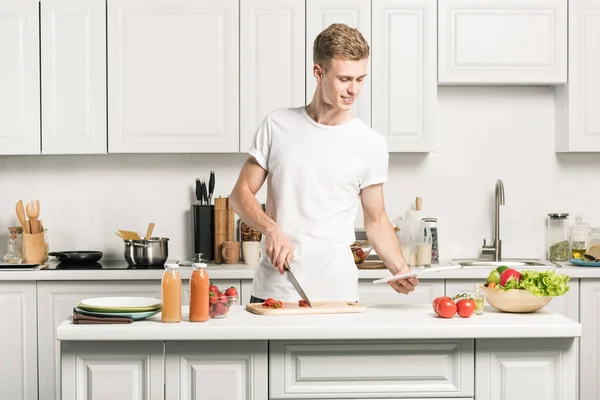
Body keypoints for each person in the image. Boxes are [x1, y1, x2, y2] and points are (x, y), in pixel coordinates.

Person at [230, 23, 418, 303]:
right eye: (344, 79)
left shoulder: (370, 143)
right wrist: (271, 229)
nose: (353, 90)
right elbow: (239, 195)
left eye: (360, 79)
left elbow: (376, 219)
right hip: (275, 290)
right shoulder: (277, 125)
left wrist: (398, 268)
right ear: (318, 72)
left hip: (337, 293)